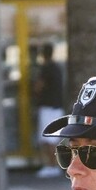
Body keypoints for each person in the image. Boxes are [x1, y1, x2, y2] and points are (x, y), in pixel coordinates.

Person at [33, 42, 64, 178]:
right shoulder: (57, 68)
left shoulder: (46, 69)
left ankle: (51, 166)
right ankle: (53, 165)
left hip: (48, 107)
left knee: (47, 138)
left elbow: (38, 86)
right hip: (56, 106)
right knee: (52, 138)